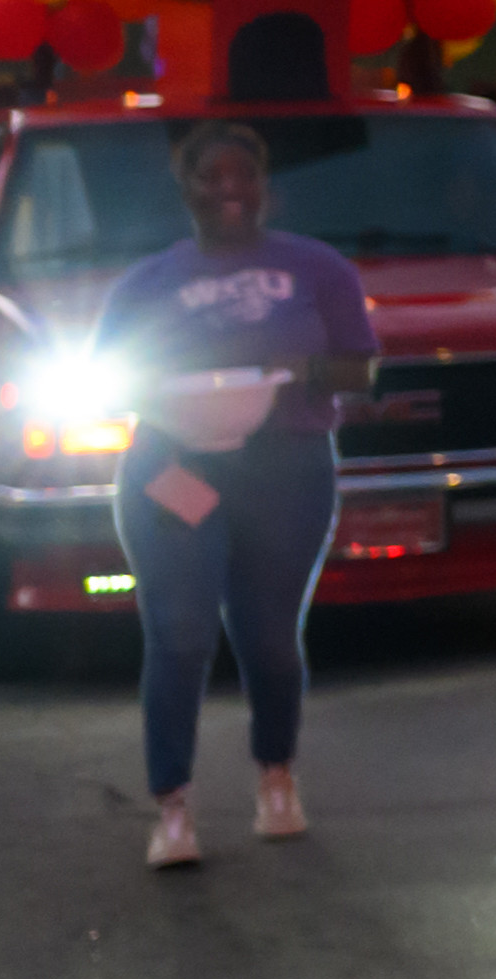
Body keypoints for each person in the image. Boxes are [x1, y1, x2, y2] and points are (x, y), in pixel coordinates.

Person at [107, 116, 378, 870]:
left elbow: (360, 367)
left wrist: (304, 369)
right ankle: (172, 806)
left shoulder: (318, 268)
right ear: (185, 189)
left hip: (284, 463)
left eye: (244, 176)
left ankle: (277, 776)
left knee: (267, 636)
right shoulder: (148, 281)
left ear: (266, 188)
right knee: (182, 631)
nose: (230, 190)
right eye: (211, 177)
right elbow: (108, 381)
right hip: (174, 469)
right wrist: (174, 382)